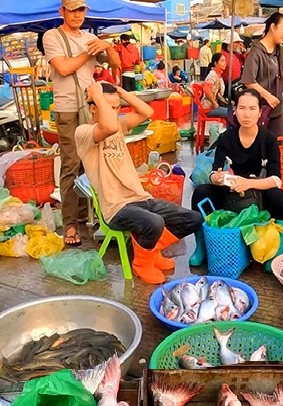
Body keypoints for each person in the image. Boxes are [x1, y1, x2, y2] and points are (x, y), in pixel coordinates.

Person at [79, 82, 201, 283]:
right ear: (93, 107)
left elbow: (147, 111)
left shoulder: (119, 126)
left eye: (117, 107)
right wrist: (96, 95)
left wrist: (119, 92)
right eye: (109, 107)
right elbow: (107, 126)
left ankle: (151, 252)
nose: (115, 112)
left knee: (193, 219)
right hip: (115, 208)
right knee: (154, 222)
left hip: (139, 198)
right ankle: (141, 263)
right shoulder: (83, 133)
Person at [44, 0, 121, 247]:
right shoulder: (52, 36)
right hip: (67, 109)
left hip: (91, 108)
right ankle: (70, 224)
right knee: (71, 165)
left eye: (81, 10)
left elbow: (117, 64)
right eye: (72, 9)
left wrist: (107, 46)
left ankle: (98, 216)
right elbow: (64, 68)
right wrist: (89, 51)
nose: (77, 14)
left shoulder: (91, 37)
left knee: (95, 163)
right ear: (62, 12)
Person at [190, 88, 283, 268]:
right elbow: (214, 172)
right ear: (235, 110)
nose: (247, 114)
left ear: (260, 112)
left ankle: (278, 251)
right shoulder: (226, 138)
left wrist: (248, 183)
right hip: (231, 194)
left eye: (252, 109)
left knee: (279, 196)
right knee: (201, 193)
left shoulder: (268, 139)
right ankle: (202, 247)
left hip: (258, 193)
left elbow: (276, 179)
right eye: (242, 108)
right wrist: (217, 178)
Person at [240, 12, 283, 138]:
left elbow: (281, 70)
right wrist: (267, 96)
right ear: (273, 27)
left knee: (276, 146)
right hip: (259, 110)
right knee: (259, 149)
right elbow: (249, 81)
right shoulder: (255, 54)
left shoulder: (278, 50)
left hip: (277, 110)